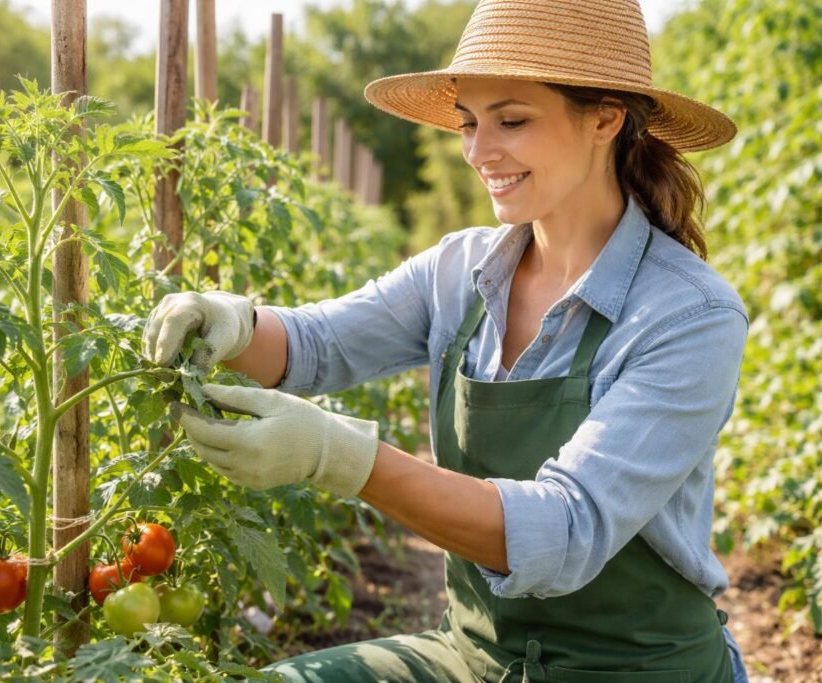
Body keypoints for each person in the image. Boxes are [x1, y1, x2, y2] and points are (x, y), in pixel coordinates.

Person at [142, 0, 753, 680]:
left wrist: (343, 457)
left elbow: (568, 528)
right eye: (469, 124)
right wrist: (231, 323)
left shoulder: (688, 313)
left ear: (606, 118)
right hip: (475, 656)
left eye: (512, 120)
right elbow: (316, 345)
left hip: (635, 670)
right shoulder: (461, 270)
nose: (479, 151)